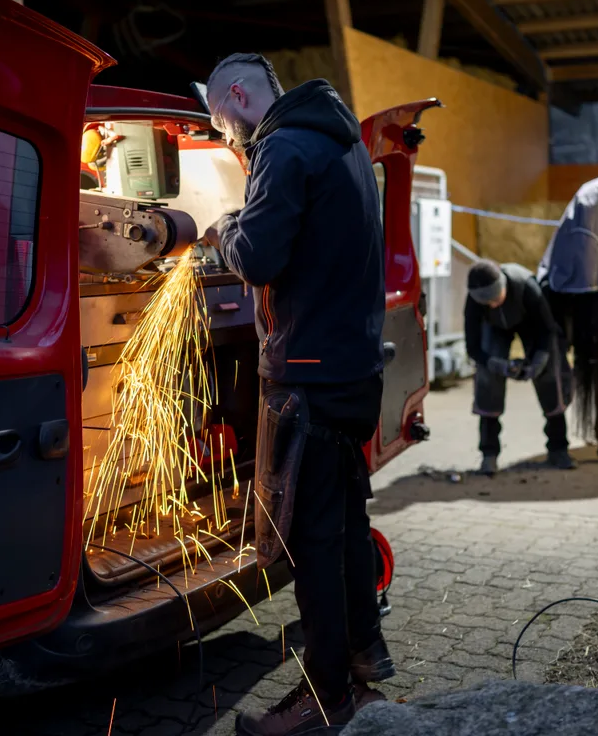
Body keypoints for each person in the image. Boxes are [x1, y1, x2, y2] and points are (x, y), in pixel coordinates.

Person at [200, 53, 391, 736]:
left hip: (309, 377)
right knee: (341, 525)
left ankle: (326, 697)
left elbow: (257, 258)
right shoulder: (343, 142)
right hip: (353, 371)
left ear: (242, 95)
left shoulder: (280, 146)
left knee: (312, 543)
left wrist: (224, 226)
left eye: (221, 121)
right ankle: (366, 658)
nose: (226, 137)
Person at [465, 259, 574, 474]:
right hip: (495, 327)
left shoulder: (527, 287)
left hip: (532, 325)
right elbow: (472, 346)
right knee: (487, 381)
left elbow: (547, 329)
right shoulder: (475, 301)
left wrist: (538, 361)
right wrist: (495, 364)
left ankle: (558, 448)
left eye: (496, 298)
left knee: (549, 377)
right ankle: (489, 453)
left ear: (504, 286)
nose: (493, 304)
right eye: (487, 303)